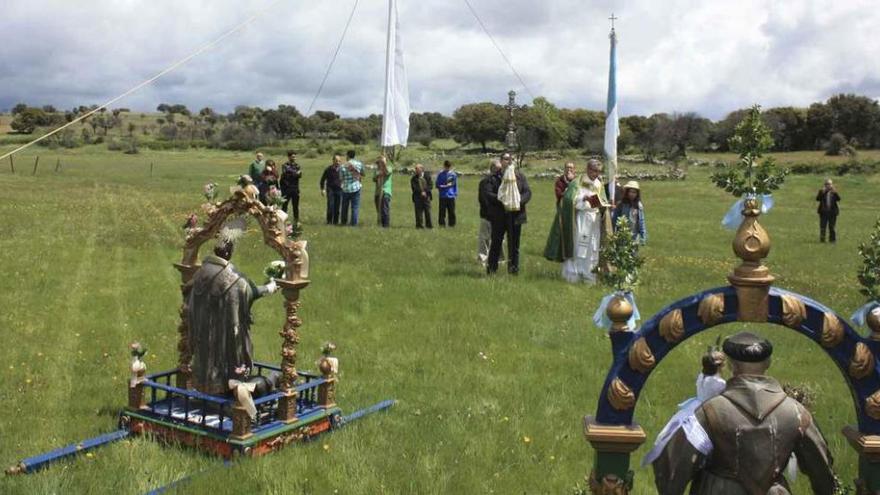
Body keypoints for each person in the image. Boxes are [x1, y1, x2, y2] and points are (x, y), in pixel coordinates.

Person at [652, 332, 836, 494]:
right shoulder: (796, 412)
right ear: (768, 362)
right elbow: (822, 470)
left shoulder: (710, 411)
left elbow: (673, 467)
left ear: (731, 365)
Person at [187, 239, 278, 395]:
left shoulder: (201, 271)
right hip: (224, 333)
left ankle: (206, 387)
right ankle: (230, 389)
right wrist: (270, 287)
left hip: (202, 332)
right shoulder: (232, 277)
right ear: (229, 252)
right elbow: (249, 291)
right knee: (227, 357)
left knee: (206, 359)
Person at [642, 345, 726, 467]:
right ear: (719, 367)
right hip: (708, 407)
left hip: (694, 404)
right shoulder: (720, 383)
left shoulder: (701, 377)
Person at [543, 159, 610, 283]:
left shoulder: (599, 184)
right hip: (581, 218)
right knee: (578, 247)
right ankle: (574, 275)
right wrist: (582, 198)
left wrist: (604, 206)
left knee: (592, 248)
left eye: (599, 172)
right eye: (594, 171)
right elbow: (568, 200)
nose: (597, 174)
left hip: (594, 220)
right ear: (588, 169)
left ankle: (590, 275)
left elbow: (603, 199)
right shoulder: (577, 182)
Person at [483, 152, 531, 275]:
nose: (509, 161)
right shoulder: (493, 178)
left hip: (516, 215)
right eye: (506, 159)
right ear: (501, 161)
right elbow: (488, 194)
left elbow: (527, 192)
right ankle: (492, 270)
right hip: (499, 215)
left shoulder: (520, 176)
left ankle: (513, 270)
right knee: (496, 243)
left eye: (511, 159)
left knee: (514, 245)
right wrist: (502, 199)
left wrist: (518, 201)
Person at [477, 160, 502, 267]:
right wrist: (490, 211)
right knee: (484, 238)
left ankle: (500, 259)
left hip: (500, 215)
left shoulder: (501, 181)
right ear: (493, 168)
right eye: (498, 168)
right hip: (487, 214)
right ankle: (482, 259)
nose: (500, 170)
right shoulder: (485, 182)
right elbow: (484, 199)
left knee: (499, 238)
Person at [612, 181, 647, 245]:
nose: (632, 194)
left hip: (634, 236)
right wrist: (613, 234)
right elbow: (614, 220)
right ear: (627, 192)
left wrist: (643, 236)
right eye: (630, 192)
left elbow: (641, 221)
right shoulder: (621, 205)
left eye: (634, 192)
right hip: (622, 236)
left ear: (637, 194)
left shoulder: (639, 206)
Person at [340, 150, 363, 226]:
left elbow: (341, 178)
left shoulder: (343, 166)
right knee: (355, 207)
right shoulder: (359, 164)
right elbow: (362, 173)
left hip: (346, 188)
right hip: (356, 188)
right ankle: (354, 224)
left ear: (348, 156)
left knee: (344, 207)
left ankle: (343, 222)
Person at [320, 155, 343, 225]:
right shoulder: (328, 169)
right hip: (330, 190)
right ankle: (329, 222)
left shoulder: (342, 169)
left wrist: (343, 185)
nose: (338, 162)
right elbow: (322, 180)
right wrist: (322, 189)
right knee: (330, 206)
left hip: (339, 190)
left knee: (337, 206)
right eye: (336, 161)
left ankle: (335, 222)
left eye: (339, 161)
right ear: (333, 161)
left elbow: (345, 179)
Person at [816, 178, 841, 243]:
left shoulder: (834, 192)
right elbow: (817, 199)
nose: (828, 185)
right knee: (823, 227)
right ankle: (822, 240)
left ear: (832, 185)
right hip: (823, 212)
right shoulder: (821, 191)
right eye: (827, 184)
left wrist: (835, 192)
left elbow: (839, 199)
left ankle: (832, 240)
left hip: (832, 212)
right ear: (825, 185)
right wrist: (823, 193)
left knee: (832, 227)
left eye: (829, 184)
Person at [280, 151, 302, 222]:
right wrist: (295, 173)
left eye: (295, 157)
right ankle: (283, 219)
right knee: (284, 205)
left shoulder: (297, 165)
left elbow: (300, 175)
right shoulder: (284, 165)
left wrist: (291, 172)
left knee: (295, 206)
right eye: (293, 157)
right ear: (289, 157)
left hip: (295, 188)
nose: (294, 158)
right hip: (286, 188)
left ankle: (296, 220)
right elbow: (285, 174)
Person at [436, 160, 458, 227]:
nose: (447, 168)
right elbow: (437, 184)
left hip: (451, 196)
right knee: (442, 212)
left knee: (451, 211)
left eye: (448, 167)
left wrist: (455, 193)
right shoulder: (440, 174)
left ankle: (452, 224)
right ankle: (442, 224)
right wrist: (441, 186)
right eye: (446, 167)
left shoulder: (453, 174)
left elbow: (454, 184)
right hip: (442, 195)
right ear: (444, 166)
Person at [410, 163, 433, 229]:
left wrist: (425, 191)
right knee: (418, 212)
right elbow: (414, 187)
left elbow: (430, 185)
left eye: (417, 169)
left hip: (427, 197)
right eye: (415, 169)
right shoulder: (413, 178)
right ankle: (419, 226)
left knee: (427, 212)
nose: (416, 170)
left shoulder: (427, 176)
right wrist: (421, 192)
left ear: (422, 169)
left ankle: (429, 226)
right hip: (417, 197)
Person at [374, 155, 393, 228]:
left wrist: (384, 165)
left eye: (380, 162)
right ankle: (380, 224)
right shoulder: (376, 170)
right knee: (379, 210)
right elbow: (374, 178)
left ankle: (386, 226)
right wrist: (379, 174)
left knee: (384, 209)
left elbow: (387, 172)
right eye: (378, 162)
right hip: (377, 192)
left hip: (385, 191)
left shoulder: (389, 168)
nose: (379, 164)